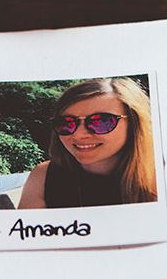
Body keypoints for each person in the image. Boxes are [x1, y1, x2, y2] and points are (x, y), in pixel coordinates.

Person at [19, 77, 157, 209]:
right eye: (67, 123)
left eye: (101, 121)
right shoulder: (43, 177)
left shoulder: (162, 177)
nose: (78, 135)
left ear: (135, 123)